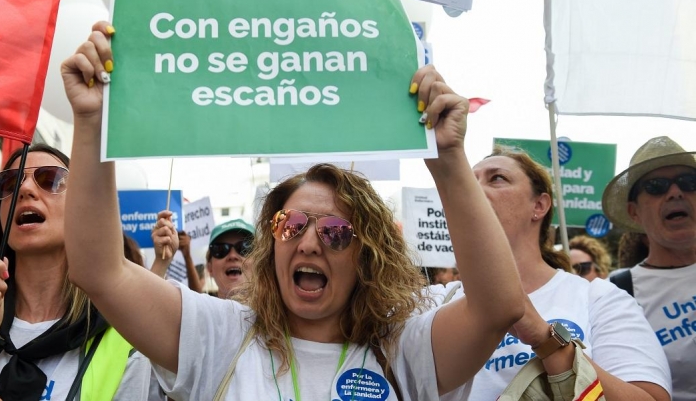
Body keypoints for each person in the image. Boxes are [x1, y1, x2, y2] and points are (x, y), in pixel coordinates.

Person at [61, 23, 526, 400]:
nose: (307, 242)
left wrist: (448, 160)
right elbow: (99, 270)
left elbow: (497, 307)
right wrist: (91, 124)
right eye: (291, 225)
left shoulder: (405, 350)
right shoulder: (219, 335)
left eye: (336, 232)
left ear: (367, 256)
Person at [0, 144, 161, 401]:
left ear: (82, 205)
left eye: (50, 179)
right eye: (9, 184)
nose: (25, 189)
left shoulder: (126, 336)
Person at [442, 147, 671, 400]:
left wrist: (546, 341)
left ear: (539, 205)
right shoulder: (433, 301)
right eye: (470, 181)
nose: (474, 190)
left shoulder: (596, 298)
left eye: (497, 178)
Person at [602, 136, 696, 401]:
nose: (676, 192)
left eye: (690, 183)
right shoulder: (616, 293)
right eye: (656, 187)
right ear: (634, 212)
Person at [205, 219, 254, 299]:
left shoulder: (278, 311)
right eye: (221, 249)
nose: (232, 256)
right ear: (210, 268)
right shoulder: (198, 310)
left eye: (245, 248)